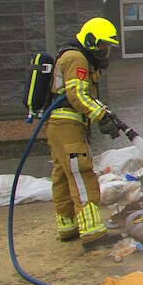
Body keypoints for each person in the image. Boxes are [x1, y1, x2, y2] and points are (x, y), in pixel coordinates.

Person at [48, 17, 125, 249]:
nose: (105, 50)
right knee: (82, 174)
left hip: (60, 126)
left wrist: (106, 115)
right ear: (91, 40)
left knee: (62, 176)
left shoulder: (76, 56)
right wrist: (100, 116)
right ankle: (92, 233)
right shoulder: (76, 58)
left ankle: (68, 226)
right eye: (102, 45)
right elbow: (77, 95)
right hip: (68, 126)